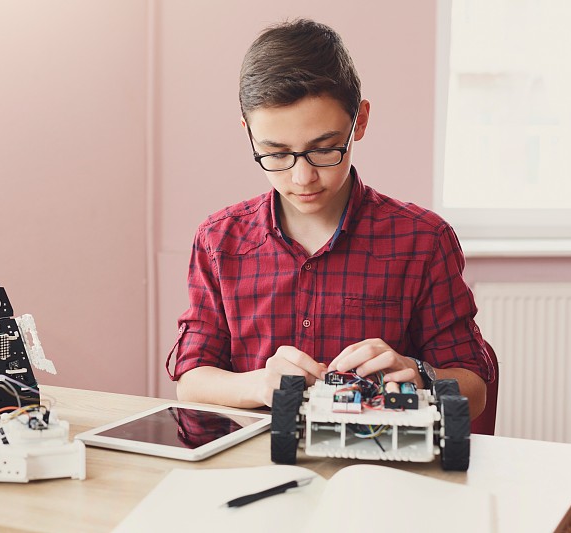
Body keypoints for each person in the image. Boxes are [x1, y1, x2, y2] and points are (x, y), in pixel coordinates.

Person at [166, 19, 494, 420]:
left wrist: (420, 374)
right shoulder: (220, 239)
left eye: (324, 150)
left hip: (376, 463)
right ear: (248, 134)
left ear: (360, 121)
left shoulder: (422, 240)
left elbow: (475, 390)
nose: (302, 177)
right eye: (276, 153)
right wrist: (256, 383)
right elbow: (190, 379)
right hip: (254, 465)